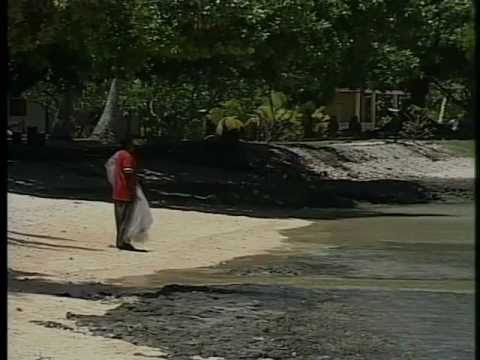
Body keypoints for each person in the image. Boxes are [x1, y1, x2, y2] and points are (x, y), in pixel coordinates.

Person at [106, 138, 150, 251]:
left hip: (118, 191)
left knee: (120, 219)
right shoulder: (127, 156)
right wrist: (136, 186)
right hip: (126, 192)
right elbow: (128, 171)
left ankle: (120, 241)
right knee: (126, 219)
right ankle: (123, 242)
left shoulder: (119, 154)